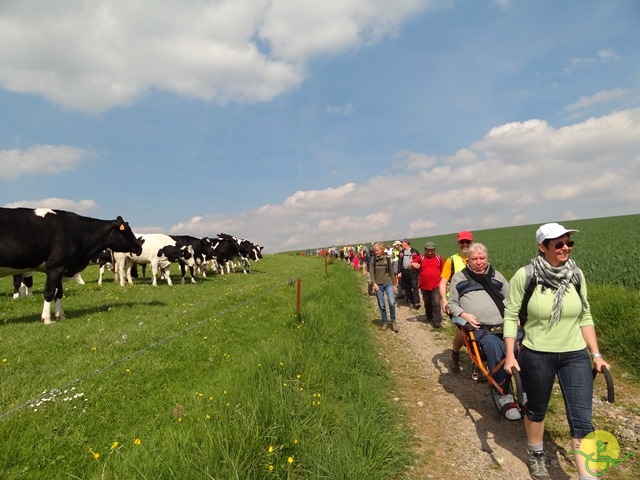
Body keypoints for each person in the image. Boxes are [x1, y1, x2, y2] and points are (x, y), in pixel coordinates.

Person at [503, 223, 610, 480]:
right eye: (558, 244)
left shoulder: (576, 275)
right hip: (537, 353)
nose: (565, 248)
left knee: (583, 420)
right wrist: (509, 355)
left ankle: (588, 477)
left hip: (575, 355)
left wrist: (595, 354)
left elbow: (585, 315)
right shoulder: (526, 275)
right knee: (537, 410)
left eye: (568, 243)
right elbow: (510, 315)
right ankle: (536, 452)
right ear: (542, 247)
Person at [447, 243, 520, 420]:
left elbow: (511, 299)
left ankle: (526, 390)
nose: (479, 262)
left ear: (487, 258)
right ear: (468, 260)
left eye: (482, 258)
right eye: (474, 259)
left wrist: (516, 316)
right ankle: (503, 392)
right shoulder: (459, 278)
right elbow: (452, 304)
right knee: (494, 347)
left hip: (506, 325)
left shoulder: (498, 276)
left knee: (524, 347)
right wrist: (463, 314)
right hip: (482, 330)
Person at [439, 230, 474, 372]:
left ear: (472, 242)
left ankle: (479, 361)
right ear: (458, 243)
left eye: (467, 242)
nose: (465, 244)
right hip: (456, 302)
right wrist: (444, 300)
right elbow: (443, 281)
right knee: (463, 329)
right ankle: (455, 354)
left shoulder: (478, 258)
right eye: (462, 242)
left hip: (476, 300)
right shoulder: (452, 260)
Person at [368, 242, 399, 332]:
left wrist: (394, 285)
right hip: (378, 285)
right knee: (382, 305)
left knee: (392, 302)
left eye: (377, 250)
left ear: (382, 250)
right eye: (375, 250)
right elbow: (371, 274)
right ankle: (385, 322)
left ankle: (393, 321)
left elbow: (391, 273)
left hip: (388, 283)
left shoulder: (387, 259)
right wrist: (374, 284)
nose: (375, 252)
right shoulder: (373, 260)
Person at [415, 241, 444, 327]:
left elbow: (444, 270)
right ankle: (429, 317)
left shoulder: (439, 258)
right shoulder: (421, 257)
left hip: (436, 284)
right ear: (425, 250)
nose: (430, 252)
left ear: (434, 250)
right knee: (427, 302)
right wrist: (413, 264)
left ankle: (437, 322)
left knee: (436, 302)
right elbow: (410, 265)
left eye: (432, 250)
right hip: (424, 285)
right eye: (428, 250)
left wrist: (444, 282)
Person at [397, 238, 421, 310]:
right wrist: (399, 272)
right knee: (407, 287)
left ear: (406, 243)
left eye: (402, 242)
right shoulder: (401, 252)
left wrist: (419, 271)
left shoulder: (414, 251)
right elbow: (400, 262)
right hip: (404, 272)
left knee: (415, 287)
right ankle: (411, 301)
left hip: (413, 272)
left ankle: (417, 302)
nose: (401, 244)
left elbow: (419, 260)